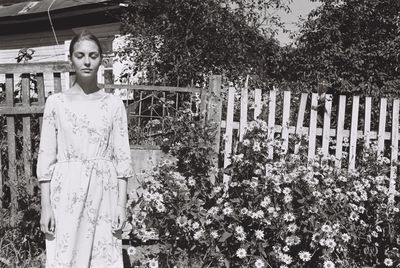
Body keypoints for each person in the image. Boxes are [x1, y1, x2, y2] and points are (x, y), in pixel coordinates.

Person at [37, 31, 133, 267]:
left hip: (105, 193)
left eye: (93, 55)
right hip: (66, 192)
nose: (87, 61)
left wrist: (121, 205)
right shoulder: (55, 104)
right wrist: (46, 206)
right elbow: (46, 158)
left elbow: (122, 159)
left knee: (102, 258)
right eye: (80, 55)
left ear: (102, 59)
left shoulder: (113, 104)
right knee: (65, 256)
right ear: (71, 59)